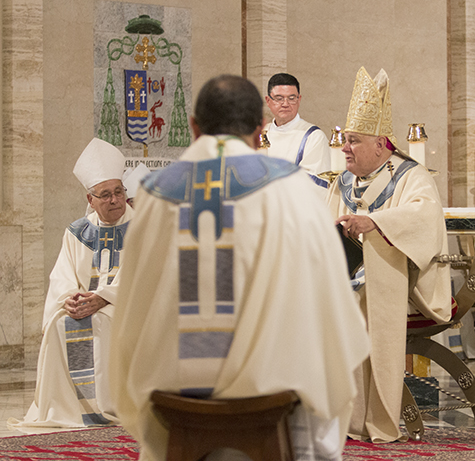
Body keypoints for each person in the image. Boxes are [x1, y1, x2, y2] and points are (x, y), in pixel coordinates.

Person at [111, 74, 369, 461]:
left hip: (171, 383)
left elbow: (133, 298)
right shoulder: (290, 187)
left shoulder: (153, 190)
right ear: (259, 130)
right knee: (321, 356)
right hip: (268, 384)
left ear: (195, 127)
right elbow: (327, 287)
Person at [327, 66, 451, 443]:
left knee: (358, 297)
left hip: (399, 279)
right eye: (345, 140)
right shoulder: (342, 181)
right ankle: (334, 417)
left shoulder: (411, 175)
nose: (344, 148)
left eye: (353, 141)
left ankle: (375, 417)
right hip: (347, 276)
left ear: (381, 145)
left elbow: (425, 217)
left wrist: (376, 224)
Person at [10, 138, 131, 429]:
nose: (115, 200)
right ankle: (68, 410)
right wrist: (70, 299)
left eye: (118, 192)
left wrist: (103, 297)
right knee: (60, 324)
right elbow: (62, 275)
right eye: (105, 195)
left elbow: (145, 274)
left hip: (126, 306)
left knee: (102, 321)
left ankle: (108, 407)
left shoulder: (144, 225)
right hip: (86, 304)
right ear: (90, 199)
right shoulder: (77, 232)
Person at [264, 72, 331, 191]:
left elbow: (313, 186)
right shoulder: (260, 135)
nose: (285, 104)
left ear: (299, 99)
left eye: (291, 98)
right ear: (268, 101)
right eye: (279, 99)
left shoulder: (313, 137)